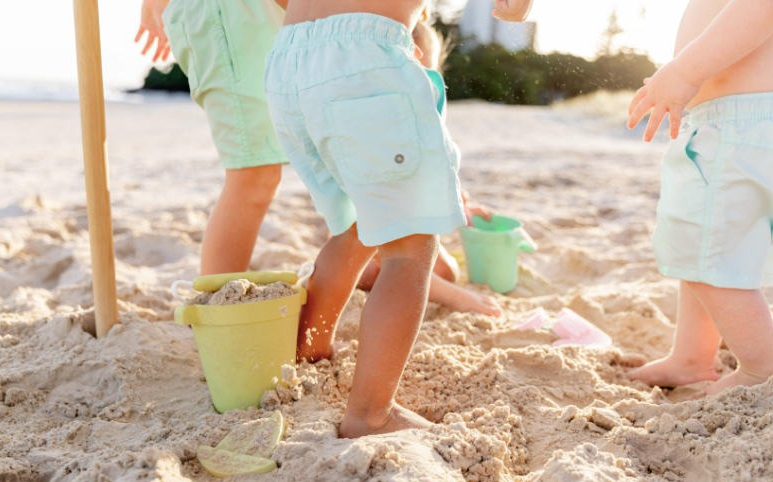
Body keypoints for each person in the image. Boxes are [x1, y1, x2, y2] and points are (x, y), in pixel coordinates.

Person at [264, 0, 533, 438]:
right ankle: (371, 414)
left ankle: (311, 347)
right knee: (411, 248)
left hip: (288, 61)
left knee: (355, 225)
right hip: (363, 57)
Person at [136, 0, 502, 318]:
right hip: (234, 14)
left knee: (408, 240)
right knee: (253, 176)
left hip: (294, 28)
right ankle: (219, 320)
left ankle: (295, 331)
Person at [625, 0, 773, 396]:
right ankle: (692, 357)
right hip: (753, 123)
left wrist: (684, 71)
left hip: (738, 125)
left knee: (703, 248)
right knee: (711, 251)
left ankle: (763, 370)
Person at [356, 14, 503, 318]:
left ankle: (380, 275)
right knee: (397, 265)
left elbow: (435, 176)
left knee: (445, 269)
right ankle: (444, 295)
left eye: (433, 78)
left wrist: (462, 207)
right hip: (370, 228)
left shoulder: (424, 123)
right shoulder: (382, 121)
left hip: (397, 225)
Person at [136, 0, 288, 276]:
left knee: (333, 149)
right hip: (229, 13)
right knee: (254, 174)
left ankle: (362, 261)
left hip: (274, 14)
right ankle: (219, 303)